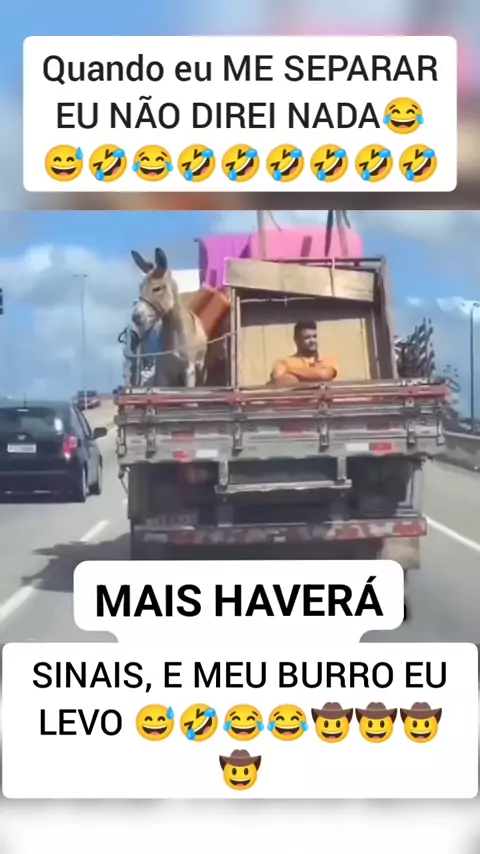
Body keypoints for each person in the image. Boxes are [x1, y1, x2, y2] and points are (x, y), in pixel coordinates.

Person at [269, 320, 338, 387]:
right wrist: (314, 375)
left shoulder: (328, 359)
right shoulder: (283, 362)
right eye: (307, 337)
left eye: (314, 336)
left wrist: (289, 371)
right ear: (296, 340)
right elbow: (281, 382)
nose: (312, 340)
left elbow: (323, 375)